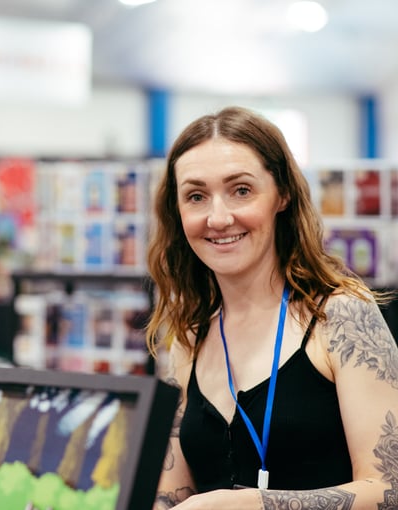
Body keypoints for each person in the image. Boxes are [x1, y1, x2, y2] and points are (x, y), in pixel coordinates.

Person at [145, 106, 398, 509]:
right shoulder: (190, 336)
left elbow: (390, 491)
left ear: (282, 194)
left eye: (241, 190)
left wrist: (249, 505)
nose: (219, 217)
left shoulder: (341, 317)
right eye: (196, 196)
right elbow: (172, 493)